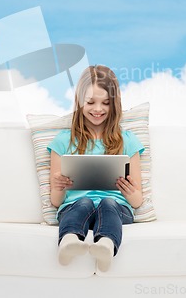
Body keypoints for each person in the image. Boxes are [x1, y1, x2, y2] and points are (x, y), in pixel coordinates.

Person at [48, 65, 144, 271]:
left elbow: (137, 201)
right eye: (90, 102)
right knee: (83, 202)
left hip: (117, 210)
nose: (98, 109)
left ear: (114, 105)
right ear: (79, 102)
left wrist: (130, 191)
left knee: (108, 203)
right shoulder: (63, 141)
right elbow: (56, 201)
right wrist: (59, 186)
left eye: (105, 103)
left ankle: (106, 246)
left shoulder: (128, 142)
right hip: (75, 208)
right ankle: (68, 241)